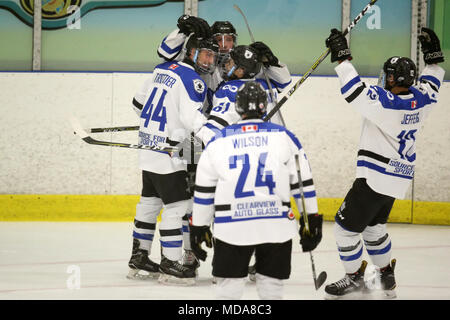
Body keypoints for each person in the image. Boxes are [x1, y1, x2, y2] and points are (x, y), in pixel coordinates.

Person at [323, 27, 445, 299]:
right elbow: (433, 80)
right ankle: (385, 276)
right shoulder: (422, 99)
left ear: (393, 78)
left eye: (388, 75)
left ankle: (354, 278)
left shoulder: (385, 103)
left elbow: (354, 91)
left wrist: (342, 57)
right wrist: (433, 59)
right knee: (374, 228)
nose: (385, 79)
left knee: (345, 230)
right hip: (397, 178)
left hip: (374, 179)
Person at [189, 81, 323, 299]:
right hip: (276, 224)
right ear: (264, 106)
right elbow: (302, 183)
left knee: (228, 290)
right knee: (272, 288)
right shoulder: (284, 137)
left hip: (232, 226)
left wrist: (199, 226)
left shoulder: (218, 140)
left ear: (238, 107)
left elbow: (204, 190)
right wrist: (310, 220)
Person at [127, 35, 219, 285]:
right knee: (177, 208)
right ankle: (170, 262)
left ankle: (139, 257)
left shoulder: (162, 69)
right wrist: (219, 138)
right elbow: (194, 122)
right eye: (205, 55)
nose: (210, 61)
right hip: (169, 156)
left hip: (148, 149)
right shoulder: (193, 81)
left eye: (212, 56)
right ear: (191, 52)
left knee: (149, 203)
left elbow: (138, 106)